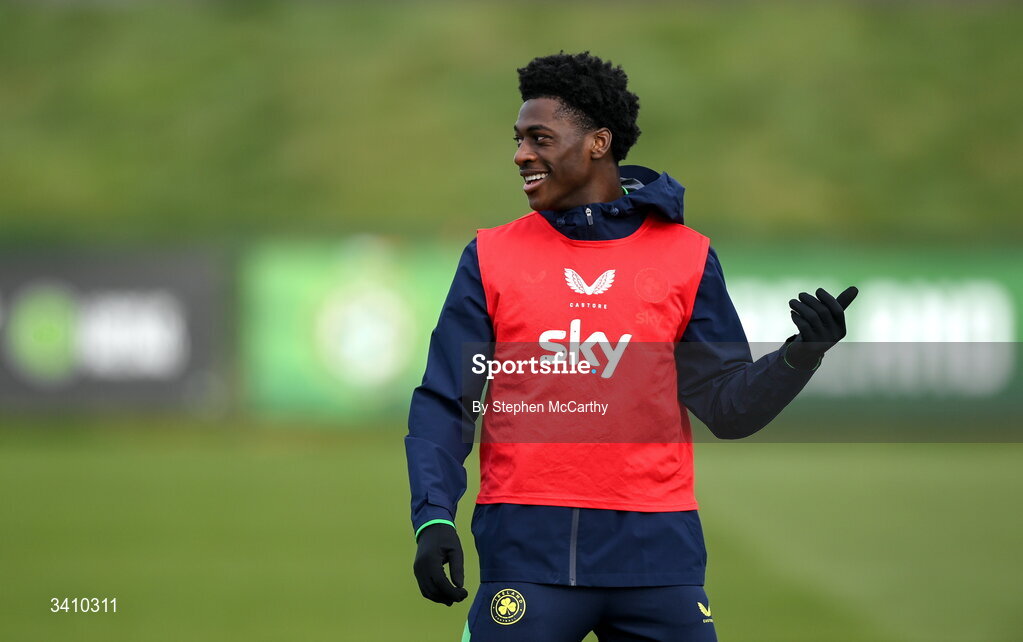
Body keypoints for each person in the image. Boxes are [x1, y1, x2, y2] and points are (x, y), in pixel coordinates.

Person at [405, 51, 856, 642]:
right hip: (525, 554)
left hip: (657, 561)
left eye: (540, 138)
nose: (521, 154)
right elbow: (446, 400)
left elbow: (728, 408)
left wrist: (801, 356)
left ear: (598, 142)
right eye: (517, 140)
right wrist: (433, 516)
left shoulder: (686, 256)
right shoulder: (490, 256)